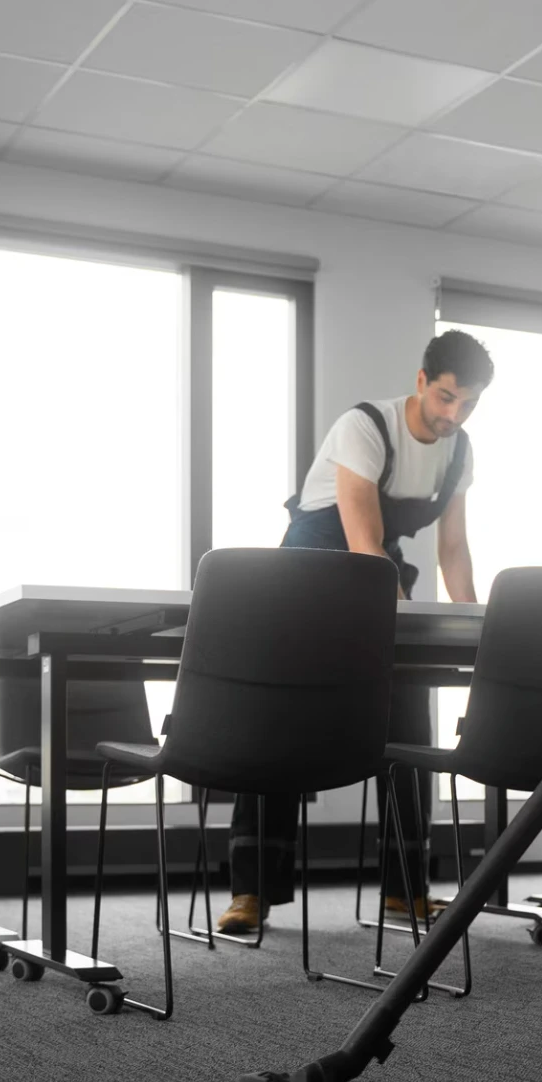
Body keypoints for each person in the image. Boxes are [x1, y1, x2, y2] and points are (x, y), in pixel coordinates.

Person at [213, 329, 493, 934]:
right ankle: (250, 891)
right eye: (446, 398)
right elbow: (366, 548)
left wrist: (473, 630)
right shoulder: (365, 427)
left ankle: (404, 888)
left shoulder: (459, 451)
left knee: (409, 726)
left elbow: (454, 550)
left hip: (377, 585)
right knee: (278, 730)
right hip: (306, 582)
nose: (454, 414)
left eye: (468, 404)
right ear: (422, 382)